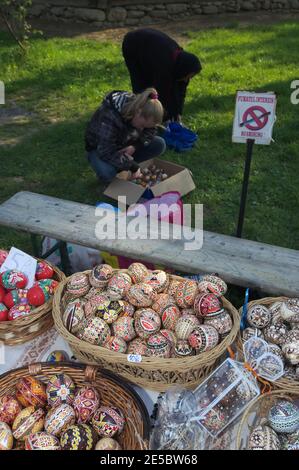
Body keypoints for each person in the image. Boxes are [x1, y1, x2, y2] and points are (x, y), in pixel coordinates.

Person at [85, 87, 166, 183]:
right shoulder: (109, 117)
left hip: (124, 142)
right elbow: (106, 151)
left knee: (159, 144)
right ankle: (121, 166)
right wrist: (133, 166)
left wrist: (135, 146)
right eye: (142, 125)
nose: (141, 129)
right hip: (99, 148)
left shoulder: (143, 108)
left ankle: (122, 165)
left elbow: (151, 130)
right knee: (107, 172)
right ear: (138, 113)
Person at [122, 28, 201, 123]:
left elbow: (180, 91)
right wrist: (165, 117)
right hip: (133, 45)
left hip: (153, 48)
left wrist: (178, 113)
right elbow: (162, 92)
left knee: (169, 88)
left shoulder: (182, 65)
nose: (186, 80)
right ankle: (139, 117)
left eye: (190, 77)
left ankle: (151, 118)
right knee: (143, 86)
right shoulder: (164, 64)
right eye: (188, 76)